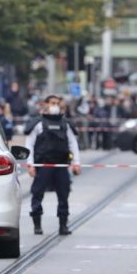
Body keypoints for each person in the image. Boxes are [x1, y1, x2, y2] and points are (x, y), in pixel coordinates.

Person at [26, 95, 82, 236]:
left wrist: (76, 163)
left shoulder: (65, 124)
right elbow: (29, 145)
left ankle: (63, 225)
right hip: (43, 164)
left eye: (57, 103)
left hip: (61, 165)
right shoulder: (38, 124)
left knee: (64, 194)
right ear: (45, 105)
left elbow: (73, 144)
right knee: (37, 194)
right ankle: (37, 224)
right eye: (52, 103)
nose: (55, 105)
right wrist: (30, 165)